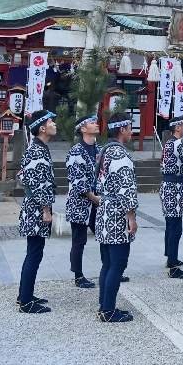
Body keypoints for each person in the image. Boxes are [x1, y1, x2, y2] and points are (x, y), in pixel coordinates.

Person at [95, 113, 139, 323]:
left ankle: (104, 306)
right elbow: (126, 189)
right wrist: (131, 216)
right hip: (117, 213)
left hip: (104, 209)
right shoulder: (120, 155)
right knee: (117, 264)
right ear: (122, 130)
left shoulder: (104, 151)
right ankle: (109, 310)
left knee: (108, 263)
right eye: (130, 128)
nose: (131, 132)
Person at [17, 109, 57, 313]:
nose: (54, 124)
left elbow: (22, 174)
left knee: (33, 253)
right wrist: (46, 210)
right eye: (51, 121)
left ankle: (25, 294)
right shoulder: (37, 151)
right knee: (34, 253)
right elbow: (38, 183)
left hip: (34, 207)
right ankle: (25, 302)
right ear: (42, 128)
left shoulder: (38, 149)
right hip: (36, 209)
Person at [65, 113, 101, 289]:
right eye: (92, 123)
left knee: (104, 236)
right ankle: (78, 276)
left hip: (98, 201)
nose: (96, 125)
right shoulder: (75, 151)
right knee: (79, 241)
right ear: (83, 129)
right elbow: (76, 179)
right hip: (80, 203)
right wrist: (93, 197)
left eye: (96, 122)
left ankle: (109, 269)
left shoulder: (100, 149)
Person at [160, 114, 183, 279]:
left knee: (171, 225)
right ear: (178, 127)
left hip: (172, 187)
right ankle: (172, 265)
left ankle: (170, 257)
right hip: (174, 187)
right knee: (175, 227)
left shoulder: (171, 143)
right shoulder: (178, 143)